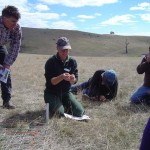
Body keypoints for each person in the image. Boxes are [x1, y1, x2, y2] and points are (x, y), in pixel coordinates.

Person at [44, 37, 84, 118]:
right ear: (57, 49)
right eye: (62, 50)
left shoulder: (72, 61)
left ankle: (62, 103)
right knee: (60, 114)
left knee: (79, 112)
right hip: (52, 93)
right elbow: (51, 82)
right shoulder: (51, 62)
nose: (65, 52)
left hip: (66, 92)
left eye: (67, 49)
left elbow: (75, 79)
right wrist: (61, 77)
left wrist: (72, 79)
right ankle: (55, 104)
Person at [0, 6, 22, 109]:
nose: (15, 24)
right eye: (13, 21)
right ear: (4, 17)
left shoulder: (16, 28)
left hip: (1, 46)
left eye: (16, 21)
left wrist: (7, 63)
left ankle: (7, 101)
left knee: (5, 73)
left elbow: (15, 47)